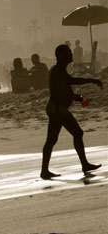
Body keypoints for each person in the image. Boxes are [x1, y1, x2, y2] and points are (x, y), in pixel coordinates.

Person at [40, 45, 103, 179]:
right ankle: (83, 164)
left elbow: (64, 90)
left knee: (52, 140)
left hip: (56, 109)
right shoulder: (57, 70)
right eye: (68, 53)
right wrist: (92, 80)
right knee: (76, 133)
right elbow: (72, 81)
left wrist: (78, 98)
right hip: (58, 109)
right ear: (60, 56)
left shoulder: (59, 70)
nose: (71, 55)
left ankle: (45, 171)